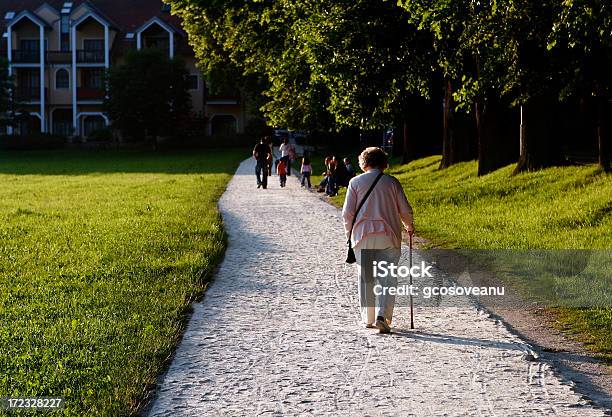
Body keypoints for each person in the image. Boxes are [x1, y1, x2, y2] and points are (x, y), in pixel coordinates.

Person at [341, 147, 414, 334]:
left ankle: (368, 318)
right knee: (388, 277)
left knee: (366, 277)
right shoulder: (392, 182)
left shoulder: (355, 182)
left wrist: (349, 233)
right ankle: (383, 316)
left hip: (363, 235)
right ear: (384, 163)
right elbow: (404, 210)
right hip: (388, 235)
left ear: (363, 163)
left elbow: (347, 213)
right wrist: (409, 226)